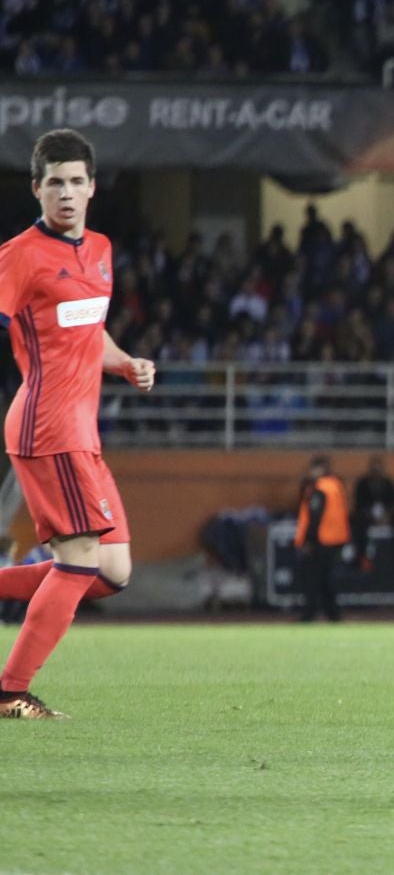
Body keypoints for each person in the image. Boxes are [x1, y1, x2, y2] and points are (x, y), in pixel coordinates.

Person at [0, 128, 156, 719]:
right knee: (79, 560)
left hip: (82, 433)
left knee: (112, 570)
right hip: (47, 425)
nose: (66, 193)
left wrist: (124, 364)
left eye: (76, 182)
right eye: (54, 183)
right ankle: (10, 691)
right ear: (37, 189)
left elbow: (89, 332)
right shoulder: (18, 257)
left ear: (92, 188)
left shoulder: (101, 250)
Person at [294, 455, 350, 622]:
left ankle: (309, 614)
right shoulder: (336, 486)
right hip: (336, 539)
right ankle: (333, 614)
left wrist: (308, 541)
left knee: (313, 579)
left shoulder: (320, 489)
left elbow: (315, 516)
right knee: (326, 580)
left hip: (321, 540)